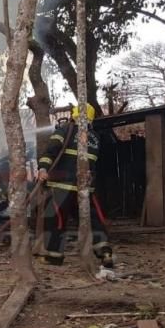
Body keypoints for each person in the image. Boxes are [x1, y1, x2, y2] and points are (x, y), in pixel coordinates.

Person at [36, 104, 114, 269]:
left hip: (61, 187)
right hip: (84, 189)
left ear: (74, 116)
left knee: (56, 220)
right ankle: (105, 252)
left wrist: (42, 168)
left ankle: (54, 257)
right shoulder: (94, 137)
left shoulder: (64, 131)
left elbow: (50, 152)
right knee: (93, 220)